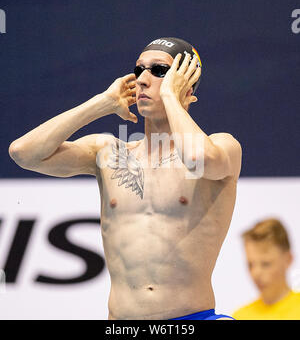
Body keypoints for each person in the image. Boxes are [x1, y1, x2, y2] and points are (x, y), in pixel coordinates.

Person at [9, 37, 242, 320]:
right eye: (139, 69)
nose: (143, 79)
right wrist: (100, 104)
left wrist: (171, 97)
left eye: (159, 71)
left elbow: (198, 160)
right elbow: (24, 153)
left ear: (187, 87)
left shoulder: (224, 146)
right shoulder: (110, 153)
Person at [232, 218, 300, 320]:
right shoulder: (239, 316)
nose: (256, 273)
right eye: (250, 265)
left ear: (288, 259)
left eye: (266, 264)